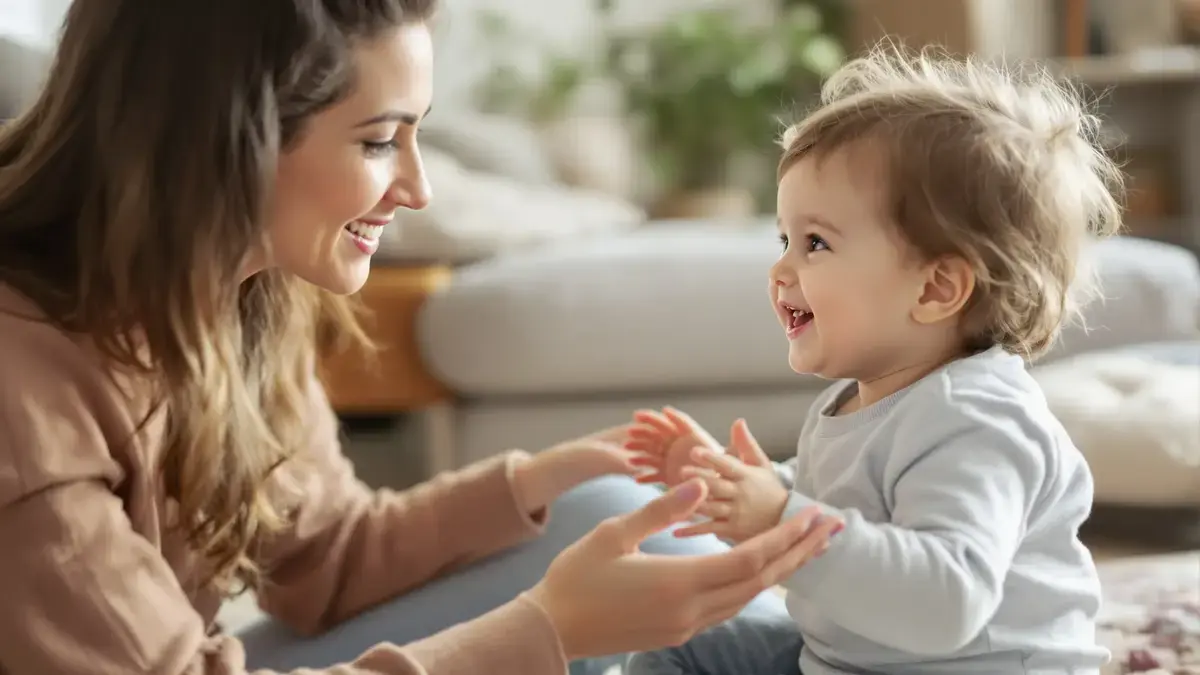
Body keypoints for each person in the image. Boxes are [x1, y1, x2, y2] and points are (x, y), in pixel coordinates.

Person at [0, 1, 844, 674]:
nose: (417, 186)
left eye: (415, 133)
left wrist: (547, 473)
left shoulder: (242, 293)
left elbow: (327, 557)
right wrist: (546, 631)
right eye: (377, 141)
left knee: (617, 511)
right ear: (227, 140)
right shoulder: (22, 384)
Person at [623, 44, 1124, 675]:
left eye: (815, 242)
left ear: (936, 289)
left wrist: (782, 516)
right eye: (785, 239)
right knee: (684, 647)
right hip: (851, 659)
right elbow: (848, 519)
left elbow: (948, 602)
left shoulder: (978, 422)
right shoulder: (862, 399)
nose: (780, 269)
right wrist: (742, 491)